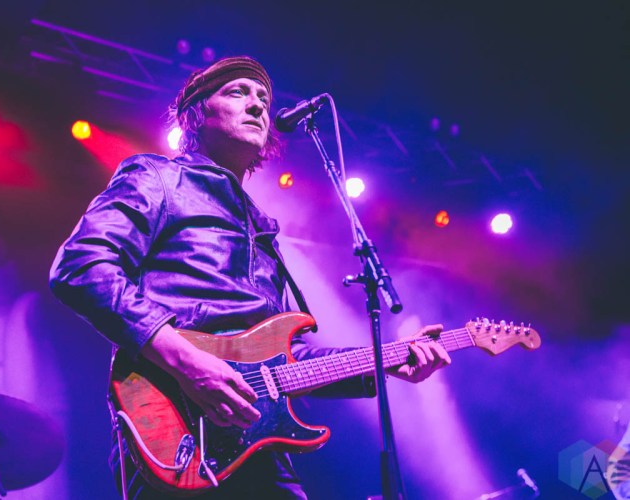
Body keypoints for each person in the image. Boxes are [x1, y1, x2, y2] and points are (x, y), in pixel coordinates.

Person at [49, 56, 451, 499]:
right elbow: (82, 265)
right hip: (177, 433)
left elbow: (286, 359)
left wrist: (386, 361)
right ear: (196, 114)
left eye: (263, 97)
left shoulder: (262, 229)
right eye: (237, 92)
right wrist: (188, 362)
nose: (258, 105)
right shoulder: (158, 178)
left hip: (256, 443)